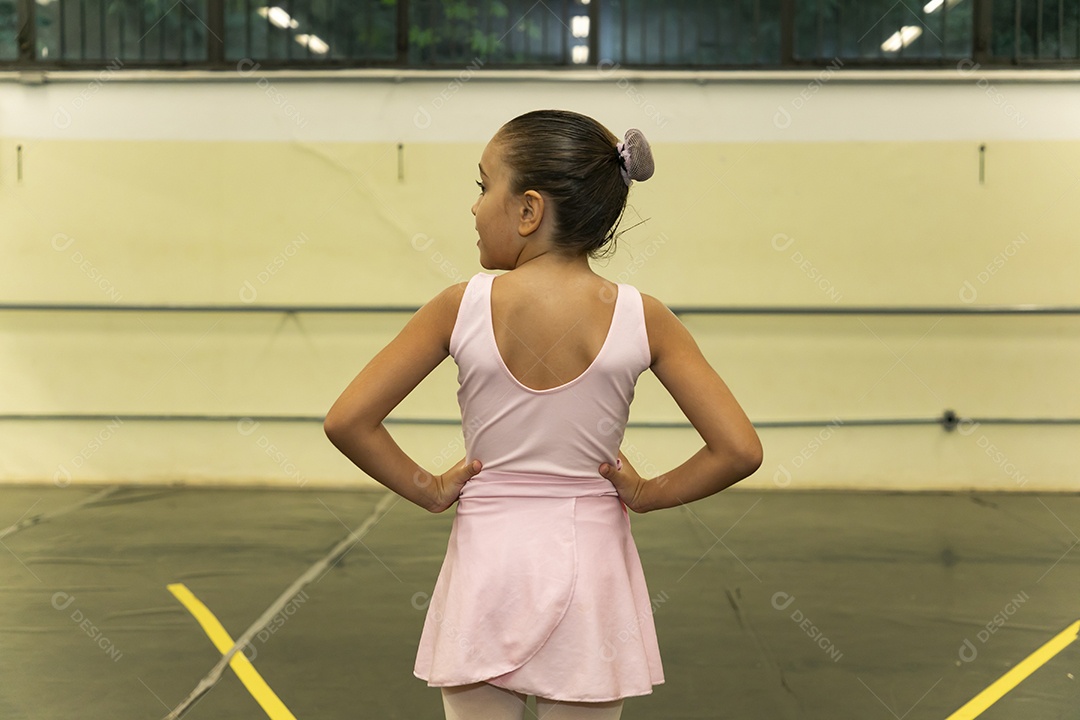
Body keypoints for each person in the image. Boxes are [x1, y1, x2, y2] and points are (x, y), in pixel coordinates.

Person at [323, 109, 763, 719]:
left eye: (482, 188)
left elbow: (347, 420)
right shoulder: (644, 316)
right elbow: (740, 450)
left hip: (488, 564)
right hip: (592, 564)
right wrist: (646, 492)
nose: (474, 209)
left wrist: (429, 489)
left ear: (528, 210)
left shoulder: (459, 307)